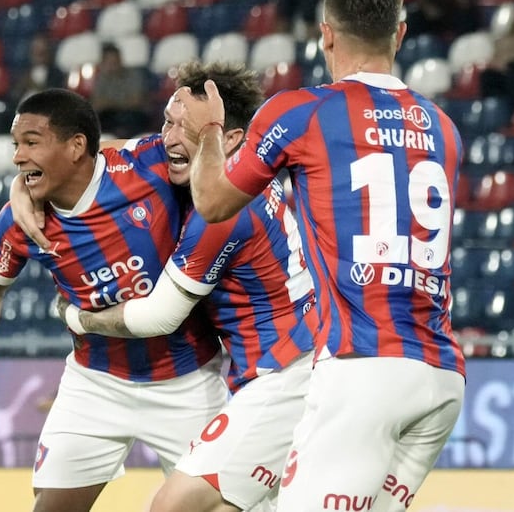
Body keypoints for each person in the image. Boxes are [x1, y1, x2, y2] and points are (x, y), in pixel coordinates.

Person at [175, 0, 466, 512]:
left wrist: (211, 131)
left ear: (325, 33)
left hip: (363, 371)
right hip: (442, 378)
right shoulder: (443, 127)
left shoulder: (300, 111)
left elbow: (213, 202)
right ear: (399, 34)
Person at [39, 61, 319, 512]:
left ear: (229, 140)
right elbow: (101, 156)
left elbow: (159, 316)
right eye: (168, 121)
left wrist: (75, 316)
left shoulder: (222, 212)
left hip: (287, 376)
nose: (168, 138)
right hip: (286, 368)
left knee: (173, 507)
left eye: (185, 128)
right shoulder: (232, 176)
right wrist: (24, 182)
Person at [0, 88, 227, 512]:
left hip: (188, 382)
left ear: (77, 146)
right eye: (16, 146)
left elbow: (210, 155)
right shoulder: (21, 220)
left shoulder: (148, 166)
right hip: (96, 383)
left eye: (31, 143)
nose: (17, 157)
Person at [90, 42, 150, 138]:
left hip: (131, 116)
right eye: (109, 61)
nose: (112, 64)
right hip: (109, 116)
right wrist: (122, 102)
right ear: (103, 62)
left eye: (115, 60)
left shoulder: (133, 75)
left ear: (120, 59)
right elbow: (96, 104)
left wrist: (109, 102)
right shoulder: (101, 78)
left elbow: (136, 101)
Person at [10, 32, 66, 105]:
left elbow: (58, 95)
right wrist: (21, 86)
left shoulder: (57, 74)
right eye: (35, 51)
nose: (38, 54)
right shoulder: (24, 73)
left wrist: (36, 86)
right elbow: (14, 95)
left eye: (42, 52)